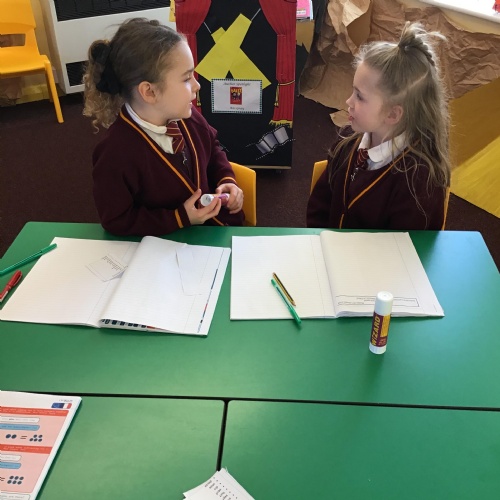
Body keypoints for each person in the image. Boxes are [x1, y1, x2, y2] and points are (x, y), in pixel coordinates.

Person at [83, 18, 244, 236]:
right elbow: (116, 220)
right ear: (149, 92)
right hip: (168, 243)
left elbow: (213, 149)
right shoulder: (115, 153)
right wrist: (179, 218)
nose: (197, 85)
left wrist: (227, 180)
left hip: (217, 232)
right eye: (186, 78)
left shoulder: (187, 117)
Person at [307, 22, 451, 230]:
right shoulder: (347, 141)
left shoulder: (418, 180)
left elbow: (405, 246)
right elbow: (319, 206)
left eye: (359, 96)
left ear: (392, 114)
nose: (348, 101)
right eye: (353, 91)